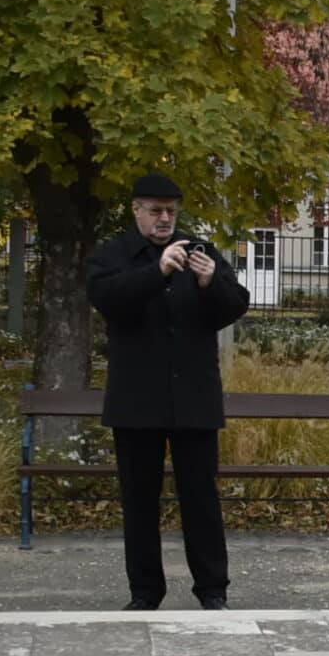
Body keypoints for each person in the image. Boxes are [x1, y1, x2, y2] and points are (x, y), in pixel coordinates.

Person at [86, 172, 251, 610]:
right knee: (139, 502)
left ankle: (213, 590)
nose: (164, 219)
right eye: (156, 211)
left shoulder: (200, 252)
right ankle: (145, 593)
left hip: (194, 399)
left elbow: (235, 305)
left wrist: (210, 282)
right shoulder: (112, 255)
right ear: (136, 210)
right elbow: (109, 299)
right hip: (136, 401)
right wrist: (157, 271)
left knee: (201, 499)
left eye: (171, 212)